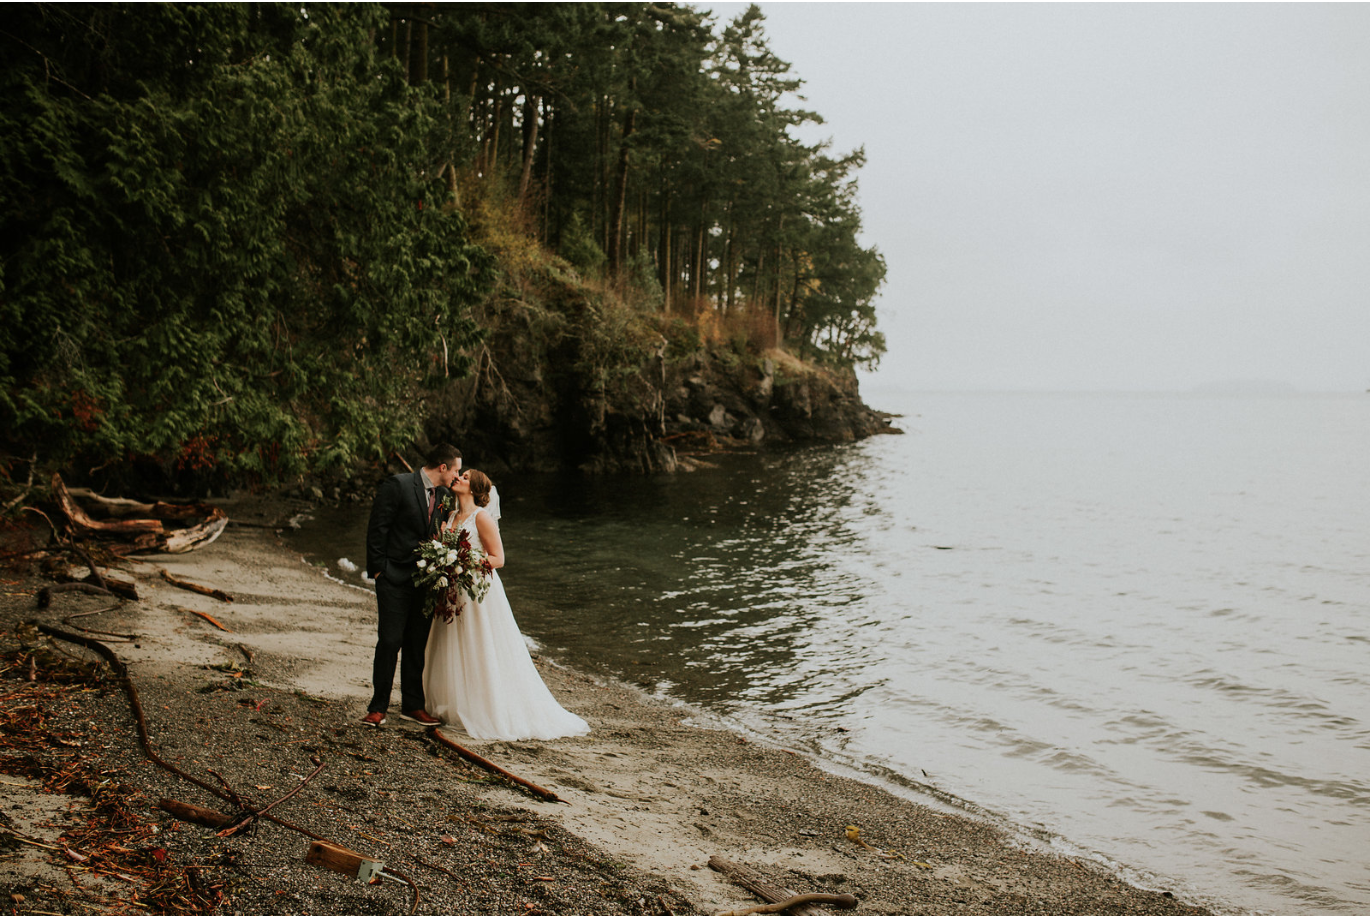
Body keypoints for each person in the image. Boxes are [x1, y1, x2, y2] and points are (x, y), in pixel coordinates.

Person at [424, 469, 589, 741]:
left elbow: (498, 558)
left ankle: (485, 708)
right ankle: (455, 704)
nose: (459, 478)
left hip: (477, 592)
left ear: (475, 489)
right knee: (452, 645)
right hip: (454, 591)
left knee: (479, 646)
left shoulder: (482, 517)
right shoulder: (451, 516)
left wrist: (464, 562)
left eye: (464, 477)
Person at [361, 444, 462, 728]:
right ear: (443, 467)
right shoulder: (399, 485)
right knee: (390, 640)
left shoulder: (444, 496)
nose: (458, 475)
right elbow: (377, 528)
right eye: (456, 470)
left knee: (417, 644)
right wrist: (379, 571)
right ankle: (377, 707)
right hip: (393, 577)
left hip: (426, 582)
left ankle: (412, 706)